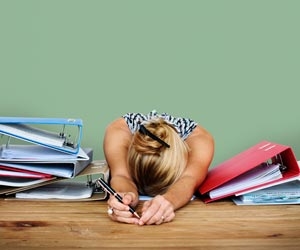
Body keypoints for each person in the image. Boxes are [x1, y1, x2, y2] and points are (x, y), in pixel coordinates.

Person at [103, 110, 214, 225]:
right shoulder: (117, 132)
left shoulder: (201, 140)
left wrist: (169, 200)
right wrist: (125, 195)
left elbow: (189, 179)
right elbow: (121, 175)